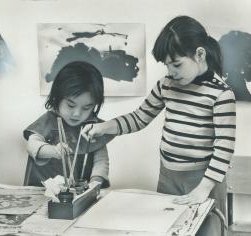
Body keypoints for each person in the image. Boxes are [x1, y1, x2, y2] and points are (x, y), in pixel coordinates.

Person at [82, 16, 236, 236]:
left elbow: (224, 148)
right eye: (167, 65)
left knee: (206, 230)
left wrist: (203, 188)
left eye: (176, 64)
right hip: (169, 176)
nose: (171, 71)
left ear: (199, 54)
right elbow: (139, 118)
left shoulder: (221, 94)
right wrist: (105, 126)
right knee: (169, 230)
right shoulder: (166, 85)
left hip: (205, 180)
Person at [23, 61, 111, 189]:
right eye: (71, 105)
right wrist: (53, 151)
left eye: (87, 107)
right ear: (57, 97)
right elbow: (32, 145)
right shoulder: (49, 120)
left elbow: (101, 160)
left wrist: (95, 182)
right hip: (43, 191)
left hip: (81, 193)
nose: (77, 113)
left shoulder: (93, 127)